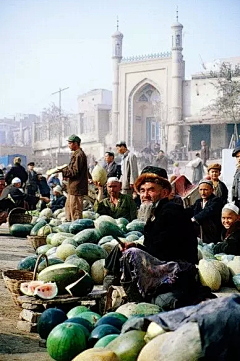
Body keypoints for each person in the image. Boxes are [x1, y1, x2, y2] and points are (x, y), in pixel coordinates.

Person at [104, 173, 203, 308]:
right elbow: (155, 247)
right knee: (122, 248)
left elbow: (165, 250)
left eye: (151, 190)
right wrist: (137, 245)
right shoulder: (155, 214)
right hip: (163, 260)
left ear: (165, 192)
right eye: (142, 191)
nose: (145, 195)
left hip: (177, 267)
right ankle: (111, 286)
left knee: (131, 253)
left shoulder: (171, 211)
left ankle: (136, 298)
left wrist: (138, 249)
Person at [58, 134, 88, 221]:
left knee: (76, 211)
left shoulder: (79, 155)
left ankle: (77, 230)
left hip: (77, 188)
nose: (69, 145)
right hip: (72, 188)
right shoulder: (75, 154)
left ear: (76, 143)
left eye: (70, 143)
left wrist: (63, 171)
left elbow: (75, 172)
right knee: (70, 210)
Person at [190, 179, 223, 244]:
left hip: (213, 234)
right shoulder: (198, 202)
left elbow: (207, 211)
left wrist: (194, 218)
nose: (203, 192)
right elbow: (191, 210)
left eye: (205, 190)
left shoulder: (216, 201)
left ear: (212, 190)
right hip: (201, 234)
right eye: (201, 190)